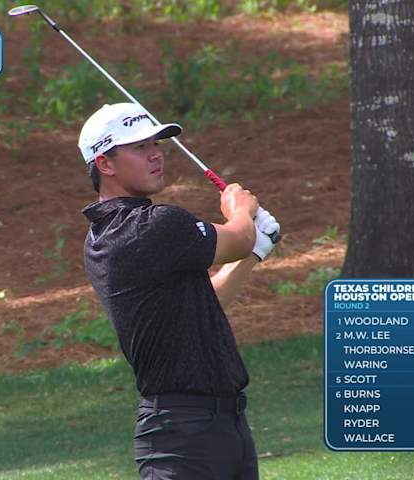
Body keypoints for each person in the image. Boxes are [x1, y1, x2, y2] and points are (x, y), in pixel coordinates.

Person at [78, 103, 280, 480]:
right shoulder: (152, 226)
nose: (156, 154)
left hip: (224, 426)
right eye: (140, 147)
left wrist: (255, 252)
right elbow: (237, 236)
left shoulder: (110, 233)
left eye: (156, 144)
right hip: (181, 436)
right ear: (105, 163)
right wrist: (240, 208)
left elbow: (203, 302)